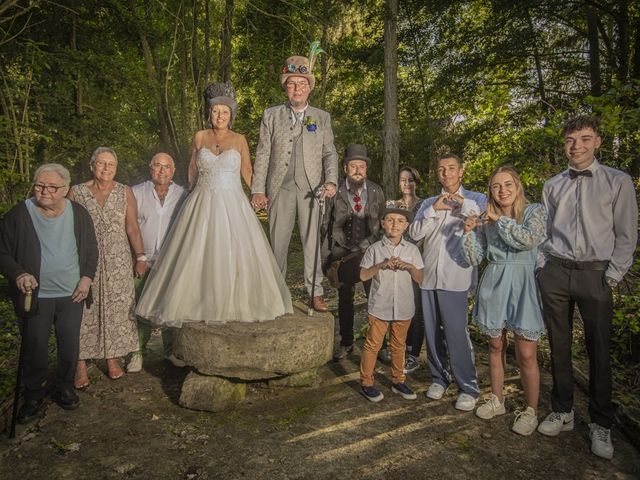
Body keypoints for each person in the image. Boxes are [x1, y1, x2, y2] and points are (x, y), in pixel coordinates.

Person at [136, 82, 292, 326]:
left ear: (231, 116)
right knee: (196, 252)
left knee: (233, 252)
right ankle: (196, 302)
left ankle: (234, 303)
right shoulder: (200, 136)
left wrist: (260, 195)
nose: (220, 116)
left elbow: (248, 172)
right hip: (202, 200)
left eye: (225, 112)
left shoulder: (240, 139)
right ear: (210, 113)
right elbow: (192, 168)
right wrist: (189, 190)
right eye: (216, 111)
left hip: (233, 202)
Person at [536, 116, 637, 459]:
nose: (576, 145)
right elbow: (545, 231)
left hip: (596, 275)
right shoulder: (552, 185)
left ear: (597, 142)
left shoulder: (617, 181)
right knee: (558, 345)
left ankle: (601, 423)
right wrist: (543, 269)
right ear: (563, 144)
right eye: (570, 139)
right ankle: (563, 411)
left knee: (599, 350)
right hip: (556, 272)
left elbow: (626, 234)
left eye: (584, 138)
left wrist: (611, 276)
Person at [0, 164, 98, 422]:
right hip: (35, 296)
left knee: (69, 344)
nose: (44, 191)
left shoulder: (78, 213)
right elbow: (2, 252)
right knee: (35, 347)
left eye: (52, 187)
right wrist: (19, 273)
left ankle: (65, 387)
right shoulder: (19, 214)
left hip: (72, 294)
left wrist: (86, 279)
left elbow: (91, 250)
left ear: (65, 189)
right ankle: (33, 394)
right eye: (40, 185)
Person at [462, 166, 547, 435]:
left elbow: (528, 239)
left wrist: (499, 220)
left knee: (526, 353)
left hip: (523, 284)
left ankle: (531, 410)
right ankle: (497, 399)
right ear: (491, 191)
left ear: (517, 186)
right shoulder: (486, 218)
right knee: (496, 346)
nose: (503, 190)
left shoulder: (534, 211)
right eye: (496, 186)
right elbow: (476, 257)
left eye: (508, 184)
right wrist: (468, 232)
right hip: (495, 282)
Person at [251, 54, 339, 312]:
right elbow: (263, 152)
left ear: (310, 87)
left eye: (302, 83)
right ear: (285, 87)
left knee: (312, 242)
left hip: (312, 190)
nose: (297, 88)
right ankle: (275, 292)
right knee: (277, 242)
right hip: (280, 188)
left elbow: (329, 152)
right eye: (291, 83)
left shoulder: (321, 117)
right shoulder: (271, 115)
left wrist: (331, 180)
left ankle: (315, 292)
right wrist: (258, 189)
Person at [409, 153, 486, 411]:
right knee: (431, 331)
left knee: (456, 332)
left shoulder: (475, 198)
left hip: (456, 276)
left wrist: (459, 203)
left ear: (461, 171)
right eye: (441, 169)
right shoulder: (429, 202)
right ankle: (439, 377)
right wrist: (434, 209)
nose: (446, 173)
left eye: (451, 168)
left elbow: (480, 221)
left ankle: (468, 386)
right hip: (429, 275)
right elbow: (414, 233)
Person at [69, 147, 147, 387]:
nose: (106, 168)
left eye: (111, 164)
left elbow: (132, 226)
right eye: (101, 163)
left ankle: (112, 357)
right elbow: (67, 229)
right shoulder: (77, 192)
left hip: (118, 259)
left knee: (117, 307)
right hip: (84, 260)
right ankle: (80, 363)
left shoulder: (124, 192)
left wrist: (140, 256)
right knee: (83, 311)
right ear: (92, 165)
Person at [127, 153, 187, 373]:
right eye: (158, 166)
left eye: (167, 166)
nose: (162, 171)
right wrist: (138, 256)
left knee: (170, 307)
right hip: (142, 260)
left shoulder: (183, 195)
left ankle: (170, 351)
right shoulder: (135, 192)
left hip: (171, 260)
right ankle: (136, 353)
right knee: (139, 307)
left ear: (173, 171)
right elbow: (130, 226)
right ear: (150, 168)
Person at [325, 144, 385, 359]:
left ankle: (381, 344)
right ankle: (347, 341)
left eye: (362, 166)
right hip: (344, 254)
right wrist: (327, 258)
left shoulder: (377, 190)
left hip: (371, 253)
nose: (358, 170)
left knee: (376, 297)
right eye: (353, 166)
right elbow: (326, 224)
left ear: (366, 169)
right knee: (345, 297)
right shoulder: (335, 192)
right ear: (345, 168)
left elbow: (383, 221)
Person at [359, 206, 424, 402]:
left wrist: (410, 267)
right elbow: (363, 275)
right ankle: (367, 383)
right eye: (390, 220)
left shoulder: (412, 250)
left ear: (406, 226)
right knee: (373, 345)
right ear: (382, 224)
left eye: (400, 221)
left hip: (403, 306)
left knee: (399, 345)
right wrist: (380, 265)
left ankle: (398, 381)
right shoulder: (374, 249)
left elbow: (421, 278)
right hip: (380, 305)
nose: (395, 224)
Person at [378, 166, 425, 373]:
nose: (407, 184)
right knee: (393, 305)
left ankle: (413, 353)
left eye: (411, 180)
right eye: (403, 180)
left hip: (416, 261)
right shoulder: (392, 204)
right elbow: (387, 230)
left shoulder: (424, 205)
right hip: (394, 262)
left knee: (415, 309)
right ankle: (395, 347)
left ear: (417, 182)